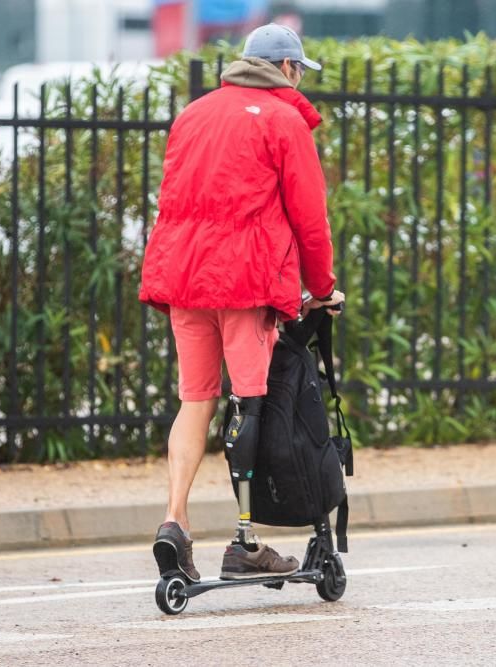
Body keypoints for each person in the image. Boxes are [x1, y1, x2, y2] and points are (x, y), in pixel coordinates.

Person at [139, 23, 345, 583]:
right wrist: (322, 291)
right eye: (298, 70)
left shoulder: (194, 114)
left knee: (195, 400)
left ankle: (174, 522)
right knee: (250, 403)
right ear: (284, 69)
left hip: (184, 277)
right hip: (245, 283)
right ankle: (245, 541)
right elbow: (310, 219)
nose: (299, 80)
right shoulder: (285, 120)